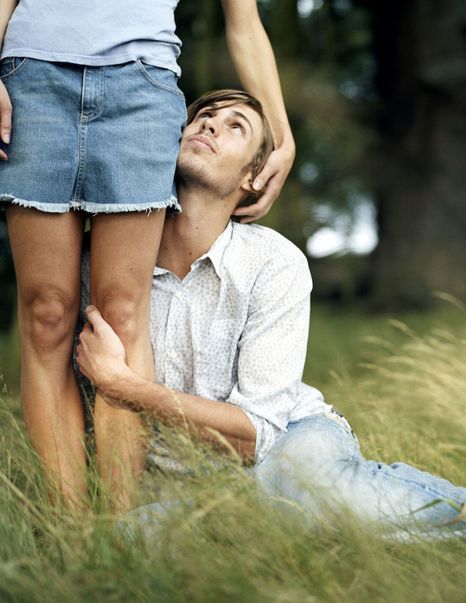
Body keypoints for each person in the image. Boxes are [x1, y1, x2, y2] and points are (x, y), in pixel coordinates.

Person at [76, 89, 466, 539]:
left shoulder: (274, 263)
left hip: (288, 440)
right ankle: (309, 521)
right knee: (143, 538)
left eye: (237, 126)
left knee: (307, 490)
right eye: (203, 116)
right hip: (182, 471)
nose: (210, 123)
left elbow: (258, 434)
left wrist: (128, 388)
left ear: (253, 179)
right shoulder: (108, 261)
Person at [0, 0, 294, 511]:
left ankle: (119, 533)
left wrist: (283, 138)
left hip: (141, 88)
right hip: (31, 78)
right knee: (47, 314)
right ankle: (73, 541)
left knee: (120, 315)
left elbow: (243, 19)